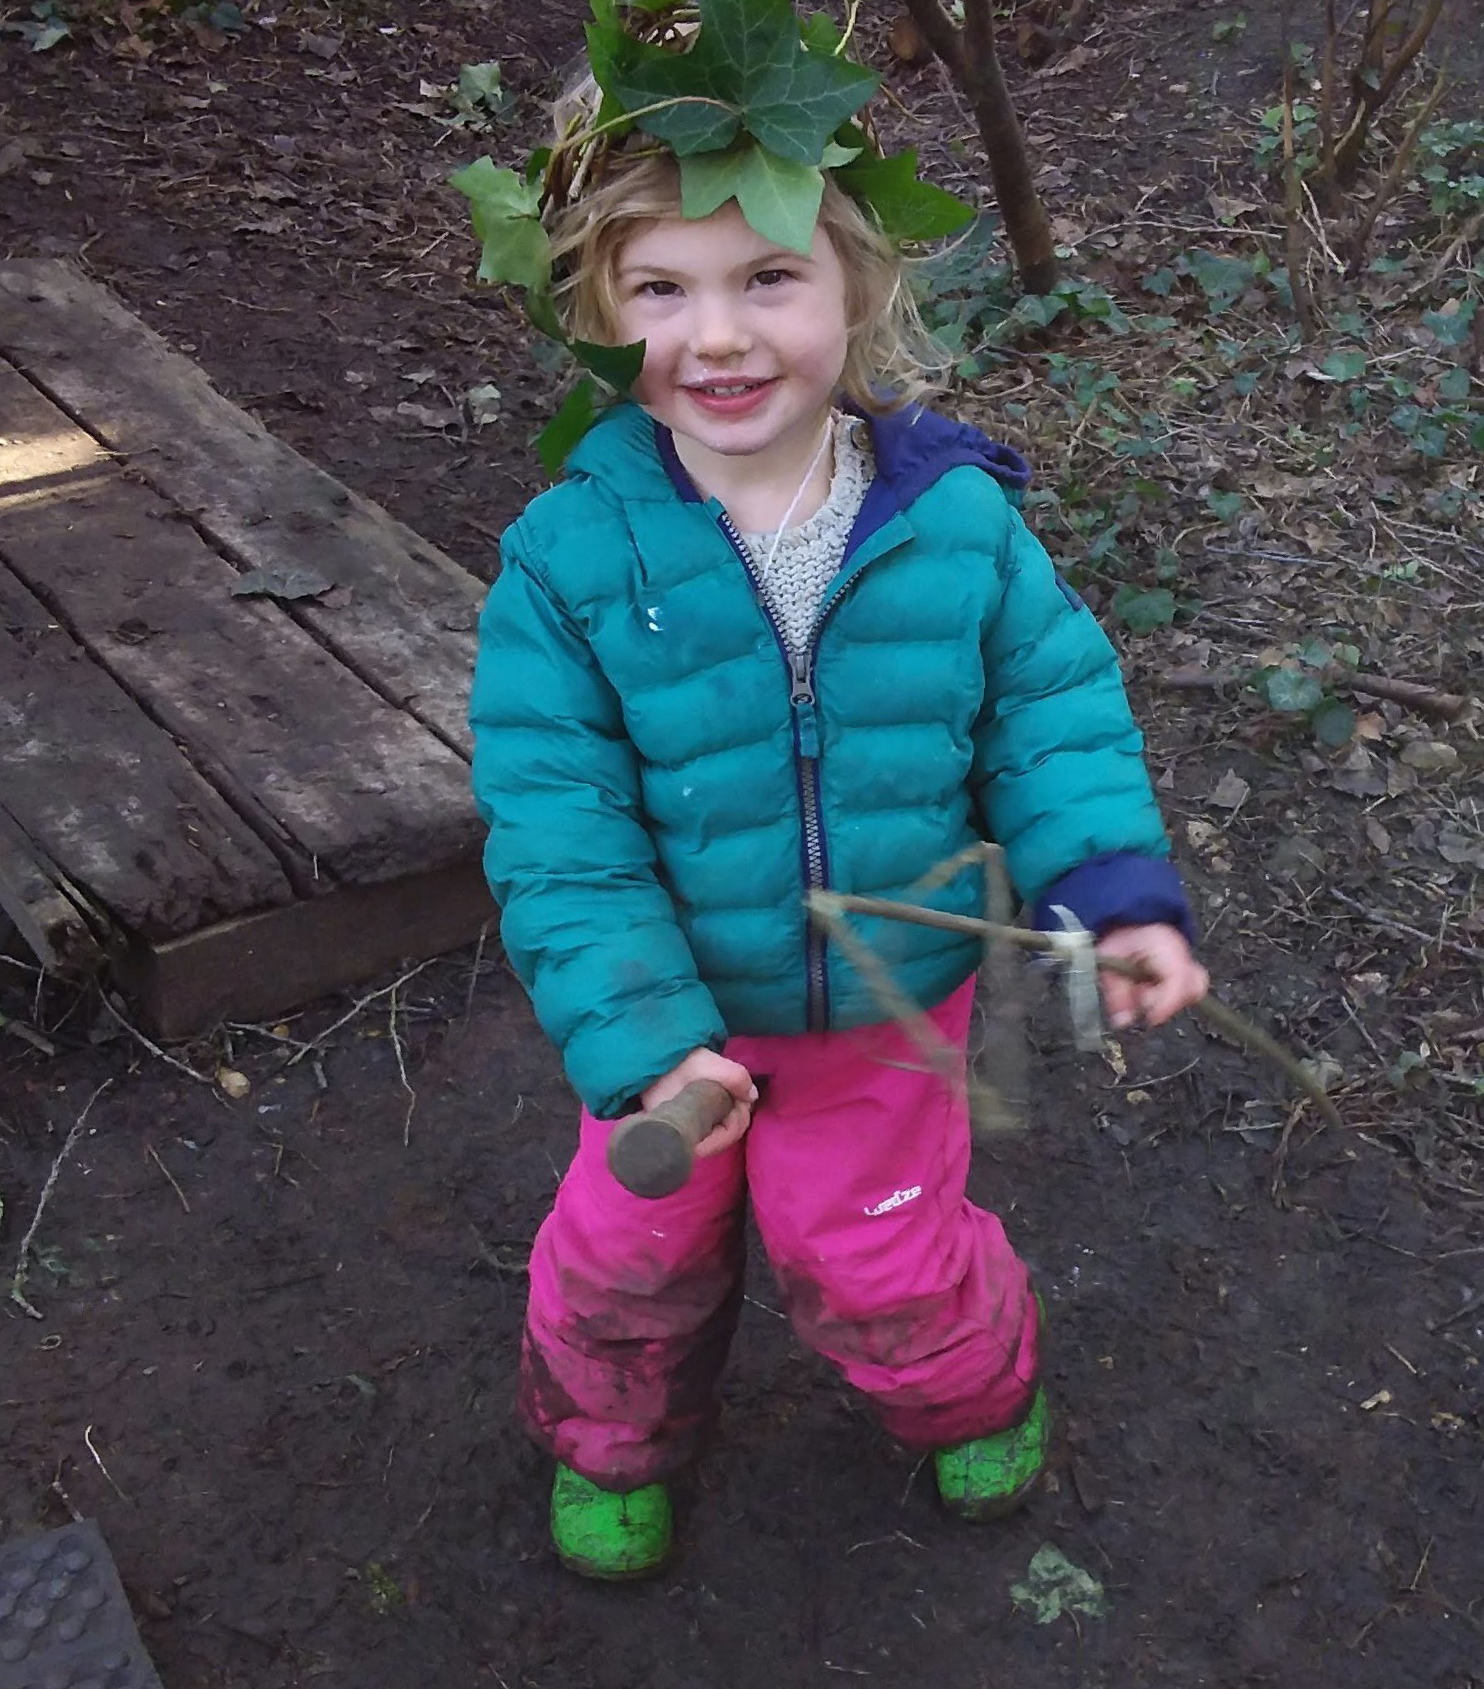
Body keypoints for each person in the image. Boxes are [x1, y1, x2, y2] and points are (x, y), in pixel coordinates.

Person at [468, 97, 1209, 1583]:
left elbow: (1046, 717)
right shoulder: (569, 557)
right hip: (671, 1024)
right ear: (601, 315)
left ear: (855, 290)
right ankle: (609, 1443)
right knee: (630, 1249)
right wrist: (646, 1038)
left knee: (867, 1251)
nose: (719, 336)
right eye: (661, 289)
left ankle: (972, 1388)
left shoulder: (956, 527)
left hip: (884, 1006)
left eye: (766, 280)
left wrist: (1111, 892)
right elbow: (560, 828)